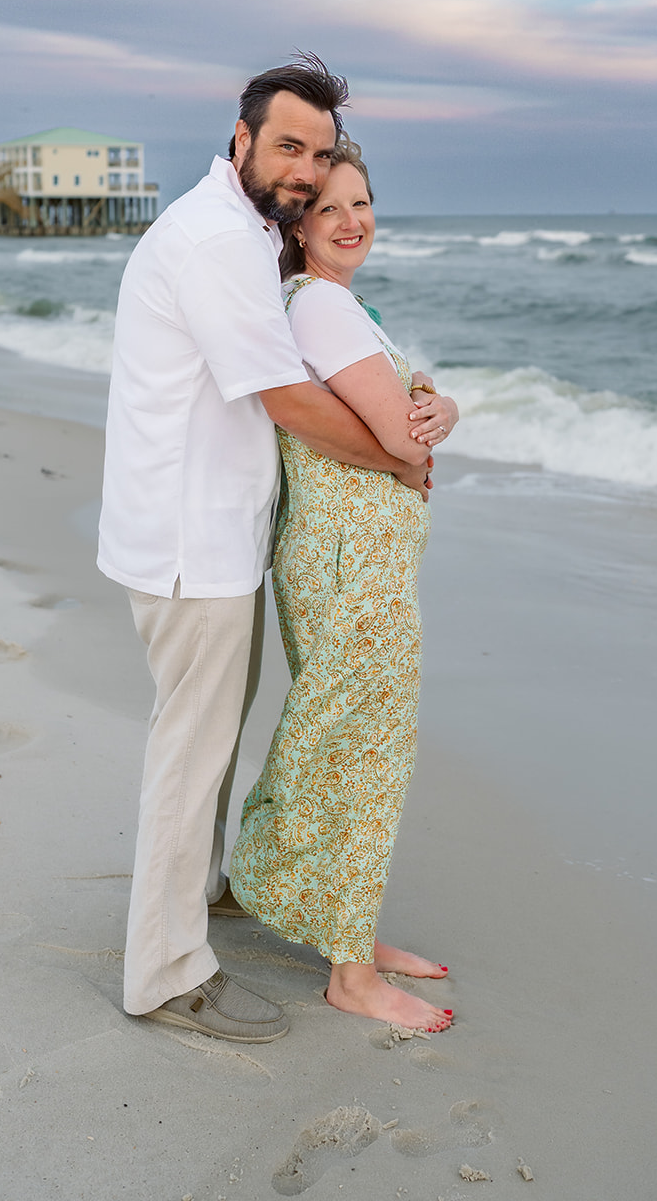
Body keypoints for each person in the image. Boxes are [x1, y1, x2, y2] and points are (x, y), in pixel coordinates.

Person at [98, 56, 431, 1046]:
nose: (303, 169)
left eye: (319, 154)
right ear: (239, 139)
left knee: (210, 736)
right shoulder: (210, 239)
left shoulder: (246, 237)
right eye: (288, 146)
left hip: (215, 536)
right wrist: (396, 458)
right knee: (189, 747)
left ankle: (203, 890)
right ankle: (162, 972)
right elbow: (285, 396)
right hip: (184, 541)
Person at [229, 141, 461, 1033]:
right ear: (297, 224)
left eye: (361, 203)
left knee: (360, 744)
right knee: (357, 751)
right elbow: (404, 440)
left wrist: (443, 407)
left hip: (352, 557)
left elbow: (417, 411)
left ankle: (346, 931)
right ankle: (348, 971)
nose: (352, 221)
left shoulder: (336, 305)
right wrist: (421, 435)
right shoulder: (319, 307)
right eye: (329, 208)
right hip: (345, 561)